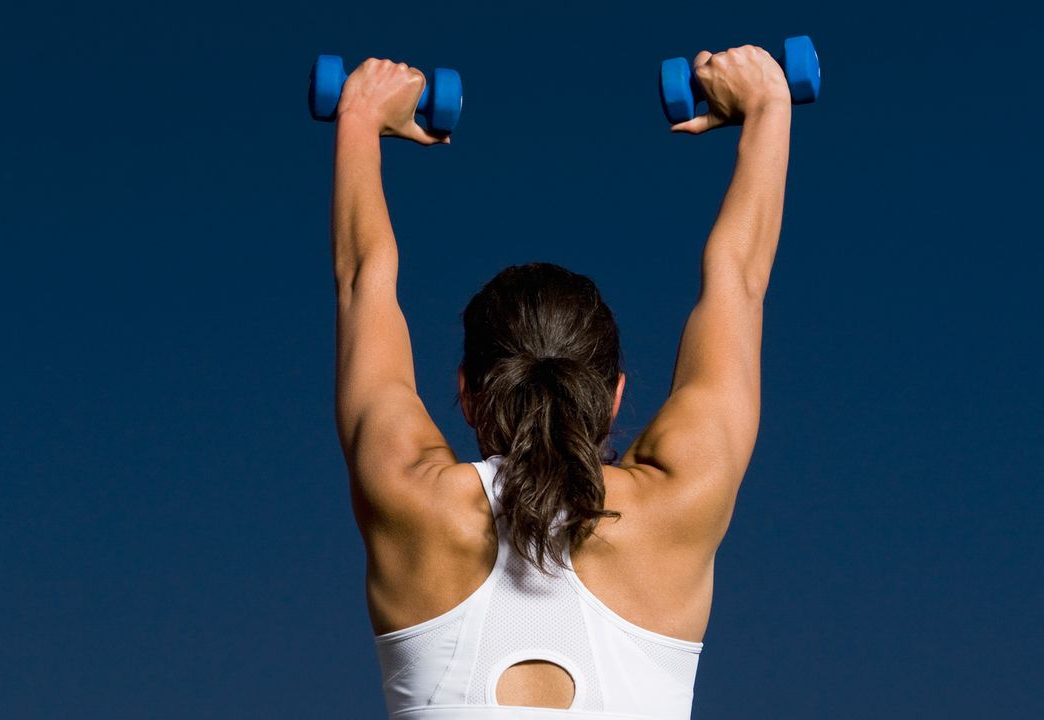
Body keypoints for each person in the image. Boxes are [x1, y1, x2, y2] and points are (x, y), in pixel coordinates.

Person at [329, 47, 791, 719]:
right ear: (614, 396)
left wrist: (361, 112)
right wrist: (768, 105)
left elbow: (362, 282)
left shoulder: (411, 499)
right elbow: (738, 284)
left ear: (466, 392)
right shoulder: (678, 505)